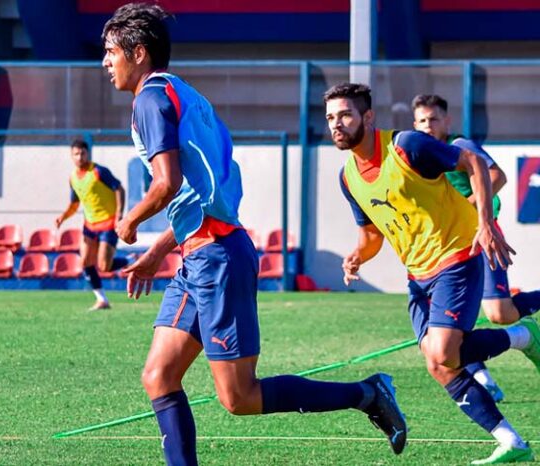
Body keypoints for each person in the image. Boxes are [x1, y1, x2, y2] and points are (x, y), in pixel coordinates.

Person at [102, 5, 408, 465]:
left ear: (138, 53)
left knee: (239, 397)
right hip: (200, 254)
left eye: (110, 52)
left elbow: (165, 185)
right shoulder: (183, 94)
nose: (106, 62)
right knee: (159, 376)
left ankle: (367, 394)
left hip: (217, 258)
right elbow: (197, 191)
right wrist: (159, 252)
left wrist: (129, 222)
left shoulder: (149, 99)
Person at [325, 82, 540, 465]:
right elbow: (372, 233)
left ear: (367, 117)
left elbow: (472, 162)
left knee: (444, 350)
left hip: (456, 256)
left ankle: (523, 335)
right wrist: (358, 255)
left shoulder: (408, 145)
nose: (336, 124)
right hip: (418, 274)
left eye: (345, 114)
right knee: (438, 364)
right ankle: (512, 441)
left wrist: (485, 223)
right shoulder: (348, 178)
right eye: (330, 118)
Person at [412, 93, 540, 403]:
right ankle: (482, 377)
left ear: (448, 121)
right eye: (421, 121)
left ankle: (527, 335)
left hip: (479, 235)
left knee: (500, 312)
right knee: (450, 325)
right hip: (445, 247)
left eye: (434, 119)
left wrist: (467, 212)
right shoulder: (420, 156)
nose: (428, 126)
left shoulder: (460, 146)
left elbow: (497, 176)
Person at [55, 139, 128, 310]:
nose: (80, 157)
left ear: (87, 154)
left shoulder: (98, 171)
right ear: (71, 156)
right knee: (86, 262)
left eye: (82, 153)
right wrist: (62, 217)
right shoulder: (73, 178)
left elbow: (119, 189)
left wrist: (119, 215)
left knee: (104, 266)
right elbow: (74, 204)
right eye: (76, 154)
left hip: (109, 223)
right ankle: (101, 299)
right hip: (90, 226)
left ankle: (128, 260)